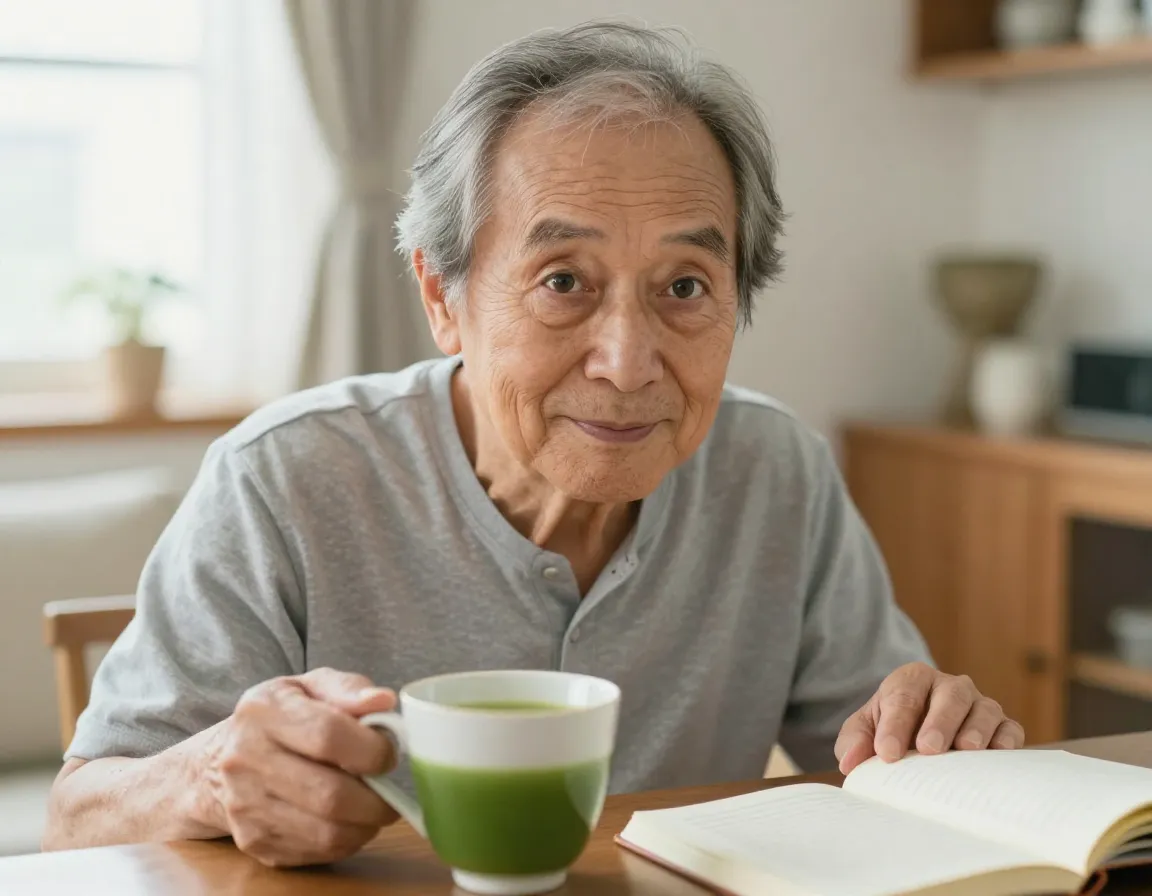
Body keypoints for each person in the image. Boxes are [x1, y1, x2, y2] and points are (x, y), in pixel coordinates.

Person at [43, 21, 1023, 867]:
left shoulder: (779, 472)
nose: (631, 361)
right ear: (442, 295)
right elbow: (75, 819)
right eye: (565, 280)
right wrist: (210, 779)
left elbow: (888, 761)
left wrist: (933, 729)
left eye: (684, 285)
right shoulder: (287, 477)